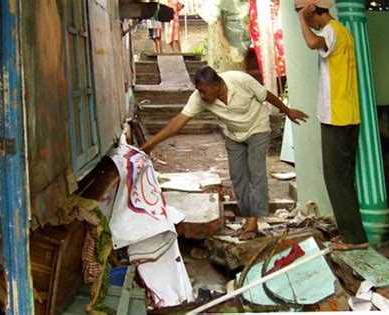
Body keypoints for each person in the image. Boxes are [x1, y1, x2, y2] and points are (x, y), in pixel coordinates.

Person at [141, 66, 308, 240]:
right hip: (234, 135)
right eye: (199, 92)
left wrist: (288, 111)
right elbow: (178, 122)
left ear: (216, 85)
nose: (202, 96)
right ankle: (247, 220)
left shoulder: (240, 80)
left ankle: (253, 222)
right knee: (238, 177)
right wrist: (149, 145)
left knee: (256, 173)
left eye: (204, 91)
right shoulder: (200, 97)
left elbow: (266, 95)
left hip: (257, 128)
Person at [295, 0, 369, 250]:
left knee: (336, 178)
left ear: (315, 11)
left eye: (309, 17)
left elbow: (313, 43)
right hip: (349, 115)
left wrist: (300, 21)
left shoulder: (331, 32)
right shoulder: (342, 31)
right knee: (344, 178)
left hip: (336, 117)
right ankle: (352, 233)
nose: (310, 24)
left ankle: (354, 238)